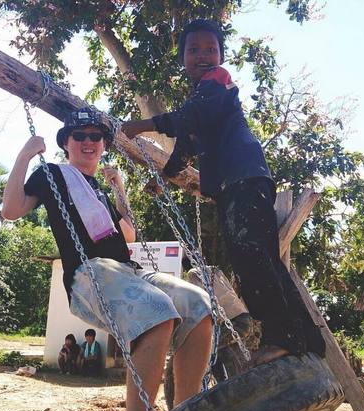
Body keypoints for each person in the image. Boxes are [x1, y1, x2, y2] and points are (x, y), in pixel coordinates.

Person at [1, 107, 213, 411]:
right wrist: (25, 154)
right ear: (66, 143)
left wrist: (119, 189)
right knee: (156, 310)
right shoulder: (53, 174)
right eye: (79, 136)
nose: (88, 141)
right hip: (90, 274)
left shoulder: (98, 190)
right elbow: (11, 210)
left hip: (128, 270)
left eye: (95, 136)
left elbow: (128, 234)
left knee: (199, 305)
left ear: (102, 144)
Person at [121, 19, 325, 364]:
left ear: (221, 56)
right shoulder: (199, 97)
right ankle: (307, 339)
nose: (203, 55)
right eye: (194, 49)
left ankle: (282, 336)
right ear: (183, 58)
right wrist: (164, 178)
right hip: (237, 182)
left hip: (244, 177)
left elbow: (193, 117)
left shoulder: (218, 81)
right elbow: (186, 145)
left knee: (252, 256)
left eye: (210, 49)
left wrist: (144, 125)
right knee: (263, 258)